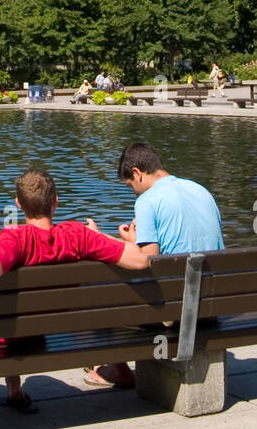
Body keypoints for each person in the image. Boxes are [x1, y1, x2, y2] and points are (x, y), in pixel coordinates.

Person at [0, 169, 149, 417]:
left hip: (6, 333)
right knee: (15, 313)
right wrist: (109, 237)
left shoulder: (15, 238)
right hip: (41, 331)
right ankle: (14, 391)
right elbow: (141, 261)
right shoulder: (78, 234)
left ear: (18, 204)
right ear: (55, 202)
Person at [86, 142, 224, 388]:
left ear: (137, 173)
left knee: (101, 289)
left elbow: (146, 261)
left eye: (131, 186)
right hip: (212, 305)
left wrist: (100, 239)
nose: (134, 193)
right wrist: (133, 241)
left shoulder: (148, 200)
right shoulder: (200, 190)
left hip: (177, 314)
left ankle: (117, 369)